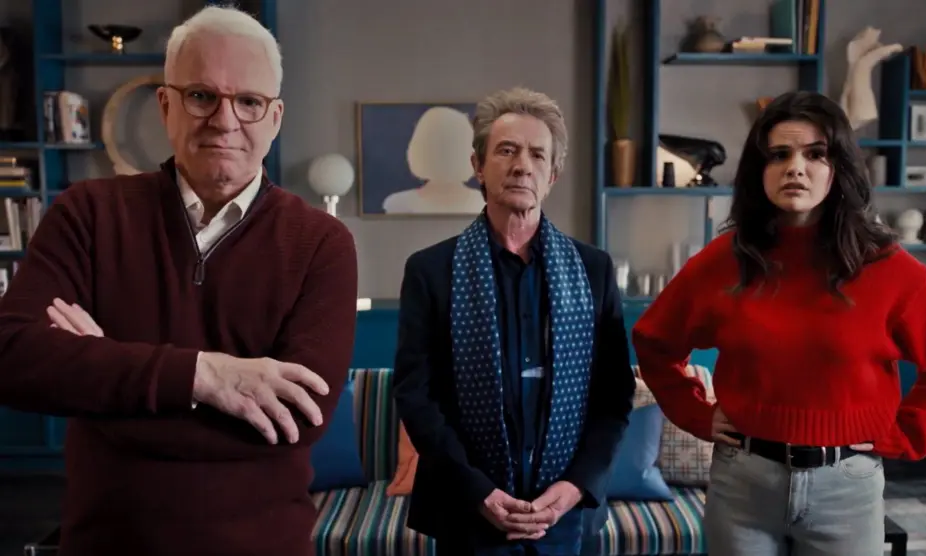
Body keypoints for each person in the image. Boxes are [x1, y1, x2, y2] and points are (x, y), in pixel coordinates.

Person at [0, 6, 357, 556]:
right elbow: (13, 357)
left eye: (249, 101)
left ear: (275, 117)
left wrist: (103, 382)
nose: (225, 119)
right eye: (202, 95)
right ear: (166, 105)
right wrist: (203, 376)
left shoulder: (321, 243)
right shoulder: (87, 214)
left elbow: (296, 421)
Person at [632, 90, 926, 555]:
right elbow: (654, 342)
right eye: (778, 155)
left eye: (815, 154)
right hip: (743, 482)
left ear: (838, 168)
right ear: (759, 170)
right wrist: (695, 412)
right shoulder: (724, 261)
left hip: (846, 487)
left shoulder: (885, 267)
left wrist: (907, 433)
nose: (795, 168)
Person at [392, 86, 635, 555]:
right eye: (506, 150)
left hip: (564, 513)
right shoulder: (430, 271)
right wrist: (477, 491)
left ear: (552, 174)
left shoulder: (594, 270)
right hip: (466, 508)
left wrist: (576, 486)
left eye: (537, 154)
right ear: (478, 166)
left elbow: (613, 395)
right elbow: (415, 395)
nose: (522, 165)